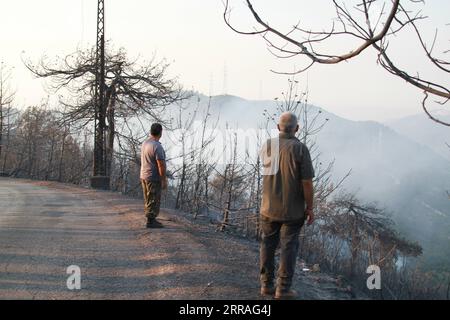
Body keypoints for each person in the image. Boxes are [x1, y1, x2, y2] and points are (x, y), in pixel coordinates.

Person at [259, 111, 315, 300]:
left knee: (267, 245)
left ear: (277, 127)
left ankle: (266, 285)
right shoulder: (300, 149)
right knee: (289, 248)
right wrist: (310, 207)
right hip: (292, 211)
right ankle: (282, 289)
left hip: (268, 207)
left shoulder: (268, 145)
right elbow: (307, 182)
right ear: (297, 128)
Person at [140, 123, 168, 228]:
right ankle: (151, 221)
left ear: (151, 131)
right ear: (160, 132)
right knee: (154, 198)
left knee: (148, 198)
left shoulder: (145, 143)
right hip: (153, 177)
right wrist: (163, 179)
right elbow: (161, 165)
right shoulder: (157, 146)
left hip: (144, 175)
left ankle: (150, 219)